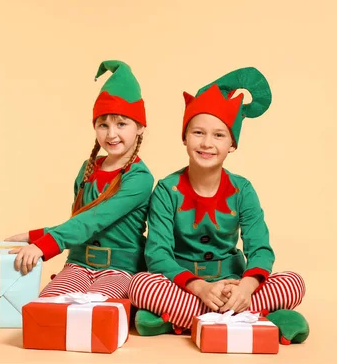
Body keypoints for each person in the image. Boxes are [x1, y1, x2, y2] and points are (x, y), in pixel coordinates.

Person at [129, 67, 309, 344]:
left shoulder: (243, 189)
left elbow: (259, 248)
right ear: (185, 137)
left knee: (293, 282)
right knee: (141, 285)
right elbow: (157, 253)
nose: (207, 143)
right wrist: (200, 287)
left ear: (232, 145)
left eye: (219, 135)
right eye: (198, 132)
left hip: (233, 282)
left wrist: (247, 287)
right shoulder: (167, 189)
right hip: (186, 285)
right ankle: (254, 320)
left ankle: (181, 319)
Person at [5, 60, 154, 299]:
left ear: (139, 127)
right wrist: (34, 235)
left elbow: (96, 219)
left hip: (119, 270)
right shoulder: (88, 169)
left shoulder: (140, 178)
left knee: (92, 312)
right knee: (48, 309)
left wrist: (45, 244)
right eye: (103, 125)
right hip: (78, 264)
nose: (111, 134)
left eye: (121, 124)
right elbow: (80, 221)